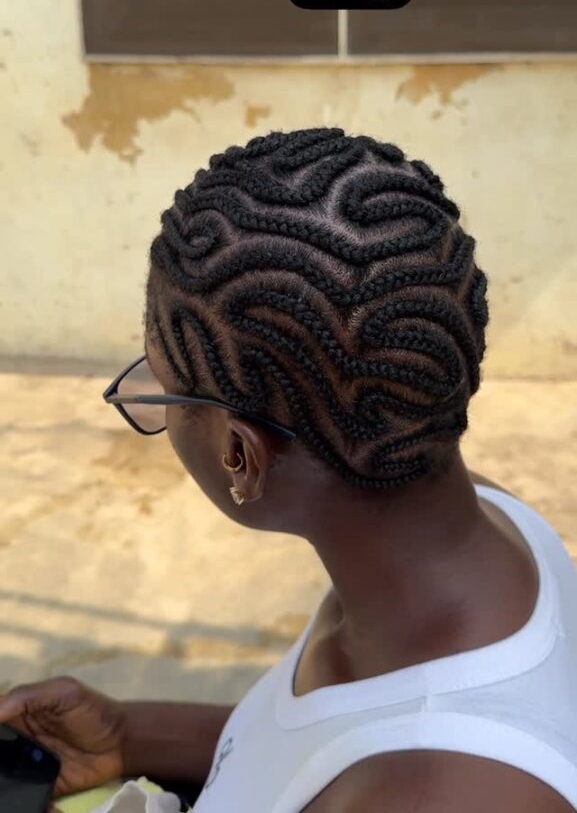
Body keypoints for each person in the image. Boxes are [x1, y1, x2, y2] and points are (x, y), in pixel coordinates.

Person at [1, 127, 576, 813]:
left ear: (239, 455)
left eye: (160, 388)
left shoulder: (444, 792)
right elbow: (329, 744)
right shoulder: (475, 529)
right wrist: (129, 733)